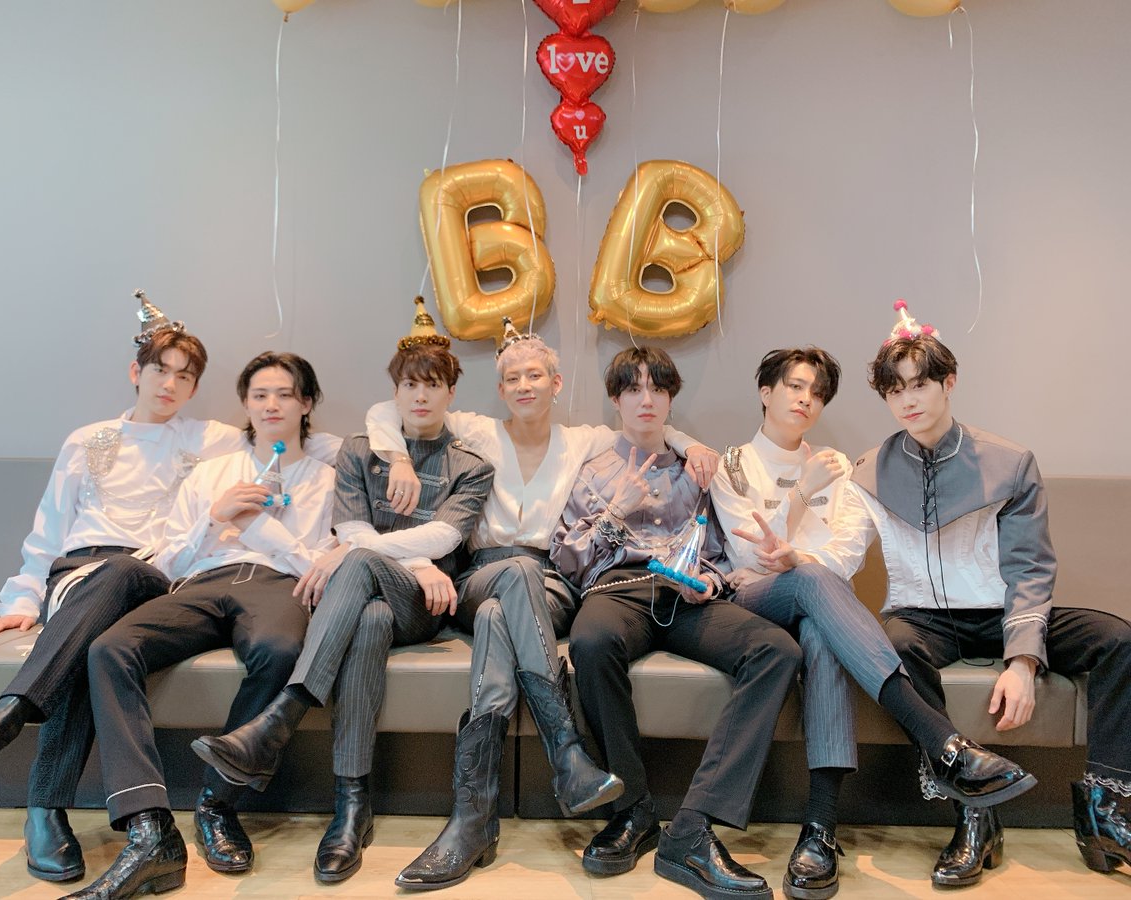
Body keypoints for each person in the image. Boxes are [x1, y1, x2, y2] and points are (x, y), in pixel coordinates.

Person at [0, 296, 336, 884]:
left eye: (185, 376)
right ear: (135, 372)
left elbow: (292, 444)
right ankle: (50, 808)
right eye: (160, 371)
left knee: (124, 586)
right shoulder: (88, 439)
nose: (170, 384)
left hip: (151, 575)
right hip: (83, 573)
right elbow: (48, 529)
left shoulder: (211, 439)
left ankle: (13, 733)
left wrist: (380, 460)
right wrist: (21, 599)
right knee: (103, 622)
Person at [363, 318, 720, 890]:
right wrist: (398, 458)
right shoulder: (477, 431)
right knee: (503, 586)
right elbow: (386, 411)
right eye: (512, 378)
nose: (523, 385)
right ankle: (566, 752)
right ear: (500, 388)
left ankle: (472, 819)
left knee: (502, 610)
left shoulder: (583, 440)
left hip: (551, 581)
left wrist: (690, 444)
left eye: (535, 375)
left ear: (556, 383)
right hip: (479, 575)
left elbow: (648, 425)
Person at [812, 300, 1131, 887]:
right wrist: (797, 560)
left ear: (949, 382)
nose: (908, 400)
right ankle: (973, 815)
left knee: (1117, 639)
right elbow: (843, 552)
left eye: (920, 384)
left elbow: (1030, 565)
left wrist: (1023, 660)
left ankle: (1103, 810)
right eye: (894, 391)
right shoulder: (868, 471)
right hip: (921, 618)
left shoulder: (1010, 463)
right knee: (893, 647)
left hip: (1001, 612)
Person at [713, 345, 1035, 900]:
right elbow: (751, 558)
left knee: (821, 621)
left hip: (821, 608)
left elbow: (844, 554)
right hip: (756, 604)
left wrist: (804, 552)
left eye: (817, 393)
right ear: (766, 392)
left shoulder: (841, 466)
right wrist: (802, 494)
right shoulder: (734, 464)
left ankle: (820, 830)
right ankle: (946, 744)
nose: (806, 399)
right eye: (795, 386)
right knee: (813, 582)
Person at [192, 300, 495, 885]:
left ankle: (282, 716)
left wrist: (416, 561)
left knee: (357, 561)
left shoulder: (470, 465)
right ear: (395, 391)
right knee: (370, 617)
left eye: (433, 385)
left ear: (451, 393)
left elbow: (445, 535)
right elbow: (350, 528)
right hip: (377, 599)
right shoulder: (360, 450)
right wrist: (392, 552)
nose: (421, 396)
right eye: (410, 385)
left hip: (428, 602)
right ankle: (351, 808)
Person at [62, 351, 337, 900]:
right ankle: (148, 825)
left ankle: (217, 804)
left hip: (276, 586)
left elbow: (319, 563)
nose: (271, 405)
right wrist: (217, 517)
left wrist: (260, 531)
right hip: (202, 582)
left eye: (285, 394)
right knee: (110, 648)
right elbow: (170, 561)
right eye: (259, 395)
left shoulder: (328, 479)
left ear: (306, 403)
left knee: (280, 649)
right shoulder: (211, 473)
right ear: (246, 405)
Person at [551, 345, 802, 900]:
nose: (646, 399)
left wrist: (708, 580)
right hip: (619, 591)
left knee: (777, 650)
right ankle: (633, 810)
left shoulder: (698, 470)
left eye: (658, 389)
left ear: (670, 400)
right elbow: (566, 560)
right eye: (633, 389)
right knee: (590, 642)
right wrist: (616, 509)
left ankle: (693, 825)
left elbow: (719, 550)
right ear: (616, 399)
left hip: (686, 597)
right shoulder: (593, 471)